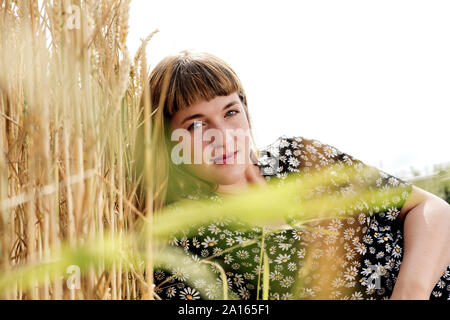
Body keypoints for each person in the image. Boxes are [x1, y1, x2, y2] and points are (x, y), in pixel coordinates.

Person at [135, 50, 450, 300]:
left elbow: (434, 210)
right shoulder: (183, 236)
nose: (223, 135)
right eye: (196, 125)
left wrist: (411, 293)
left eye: (230, 111)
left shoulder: (300, 157)